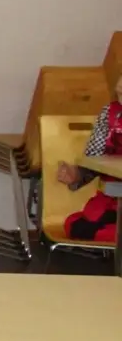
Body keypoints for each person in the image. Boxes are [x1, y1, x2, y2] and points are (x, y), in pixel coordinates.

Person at [55, 75, 122, 243]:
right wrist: (75, 175)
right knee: (75, 224)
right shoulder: (109, 114)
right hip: (112, 202)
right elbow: (94, 162)